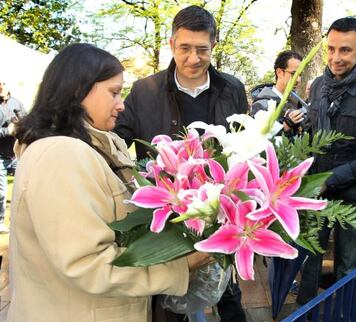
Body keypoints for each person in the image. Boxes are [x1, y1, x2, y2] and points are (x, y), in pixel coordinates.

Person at [7, 43, 211, 322]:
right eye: (114, 92)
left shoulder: (88, 146)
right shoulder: (61, 155)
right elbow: (86, 264)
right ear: (78, 90)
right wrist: (179, 266)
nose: (121, 104)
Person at [114, 5, 248, 322]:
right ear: (172, 44)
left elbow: (243, 149)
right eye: (184, 48)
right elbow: (117, 144)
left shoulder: (232, 90)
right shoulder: (144, 91)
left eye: (202, 49)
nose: (193, 58)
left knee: (229, 299)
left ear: (214, 46)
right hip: (168, 223)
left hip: (219, 217)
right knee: (168, 307)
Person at [297, 17, 356, 306]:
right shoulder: (318, 87)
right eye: (330, 49)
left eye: (345, 50)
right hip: (317, 192)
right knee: (309, 262)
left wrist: (330, 179)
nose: (335, 58)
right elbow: (313, 135)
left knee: (348, 269)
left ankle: (344, 313)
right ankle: (306, 312)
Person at [251, 50, 305, 137]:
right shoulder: (262, 105)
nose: (298, 79)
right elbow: (259, 139)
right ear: (279, 72)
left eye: (300, 74)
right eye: (293, 74)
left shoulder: (298, 103)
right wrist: (286, 126)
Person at [0, 81, 25, 233]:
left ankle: (22, 221)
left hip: (16, 155)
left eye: (3, 83)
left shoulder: (17, 103)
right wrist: (7, 131)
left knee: (27, 187)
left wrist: (21, 124)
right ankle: (1, 221)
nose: (1, 86)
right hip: (0, 157)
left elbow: (28, 121)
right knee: (1, 192)